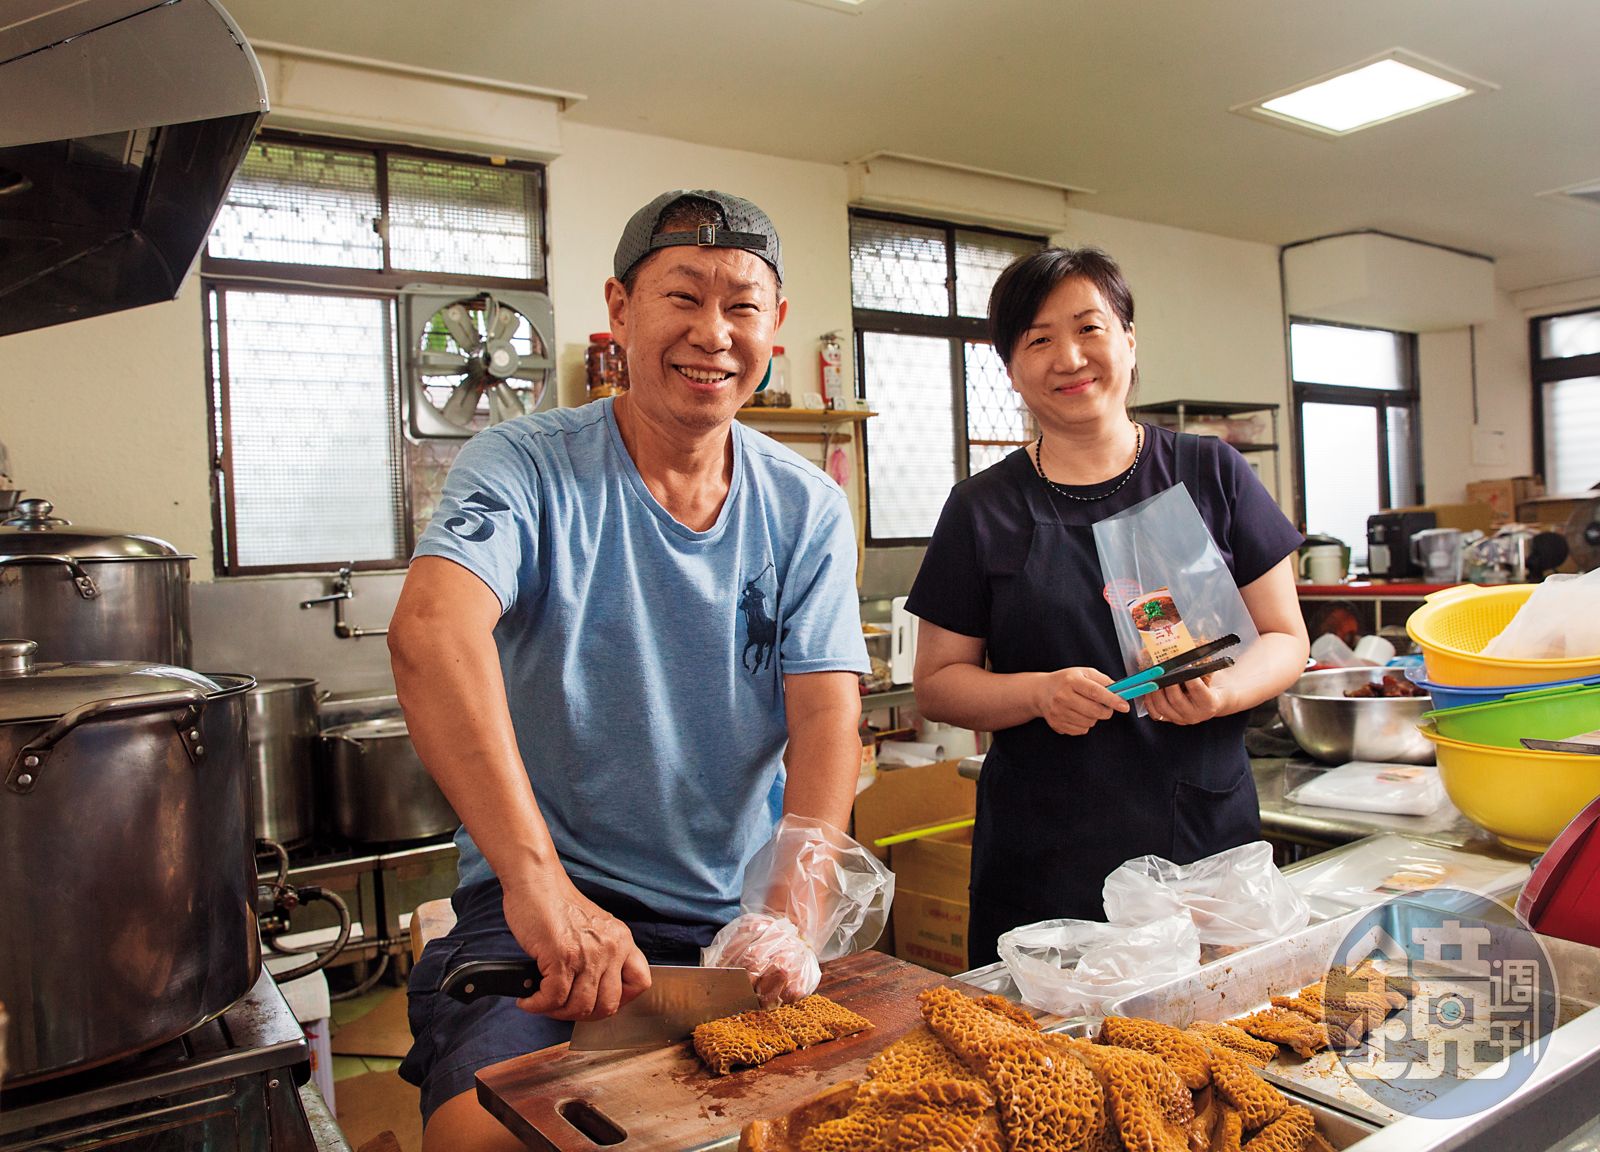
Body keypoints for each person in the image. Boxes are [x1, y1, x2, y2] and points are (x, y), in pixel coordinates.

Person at [389, 190, 869, 1152]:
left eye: (741, 306)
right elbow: (432, 633)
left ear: (774, 324)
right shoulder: (526, 465)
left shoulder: (806, 506)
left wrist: (788, 917)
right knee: (484, 1137)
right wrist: (540, 889)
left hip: (729, 925)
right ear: (620, 309)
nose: (713, 334)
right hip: (543, 907)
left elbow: (825, 718)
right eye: (682, 297)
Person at [906, 246, 1309, 969]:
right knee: (1042, 1039)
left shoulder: (1212, 472)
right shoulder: (981, 509)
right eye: (1039, 339)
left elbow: (1285, 637)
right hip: (1045, 860)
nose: (1069, 357)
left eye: (1089, 328)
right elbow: (937, 683)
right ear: (1011, 368)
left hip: (1201, 845)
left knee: (1214, 1026)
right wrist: (1038, 693)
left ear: (1128, 339)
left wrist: (1223, 693)